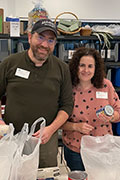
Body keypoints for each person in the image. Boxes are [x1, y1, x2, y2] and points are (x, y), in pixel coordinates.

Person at [0, 18, 73, 168]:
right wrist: (0, 123)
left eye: (50, 40)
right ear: (29, 37)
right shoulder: (10, 63)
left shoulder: (61, 68)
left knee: (45, 174)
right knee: (12, 172)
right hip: (11, 137)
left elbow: (67, 105)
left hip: (45, 140)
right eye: (40, 37)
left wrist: (51, 129)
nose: (45, 45)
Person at [62, 47, 120, 171]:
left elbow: (118, 112)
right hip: (76, 150)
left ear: (96, 68)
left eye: (90, 66)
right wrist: (75, 127)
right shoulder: (67, 88)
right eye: (82, 65)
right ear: (75, 67)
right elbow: (57, 121)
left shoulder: (106, 86)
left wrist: (112, 116)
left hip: (102, 149)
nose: (86, 70)